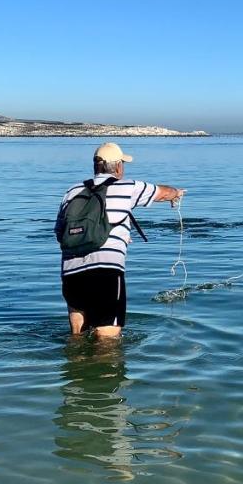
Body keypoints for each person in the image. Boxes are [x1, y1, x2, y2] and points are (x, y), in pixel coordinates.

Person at [56, 142, 185, 339]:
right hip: (106, 272)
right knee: (107, 338)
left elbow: (60, 233)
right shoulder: (128, 187)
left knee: (76, 335)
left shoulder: (72, 191)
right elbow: (163, 192)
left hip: (71, 271)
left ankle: (75, 366)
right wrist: (176, 194)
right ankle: (105, 368)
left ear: (95, 166)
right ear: (117, 167)